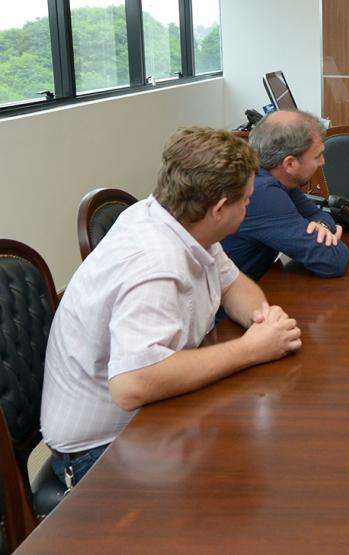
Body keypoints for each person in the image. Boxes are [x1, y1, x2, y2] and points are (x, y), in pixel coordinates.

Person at [41, 127, 303, 488]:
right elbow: (132, 385)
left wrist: (262, 318)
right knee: (262, 474)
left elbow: (232, 283)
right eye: (245, 200)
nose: (249, 205)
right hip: (99, 451)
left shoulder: (178, 218)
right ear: (219, 209)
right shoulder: (156, 263)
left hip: (149, 420)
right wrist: (251, 349)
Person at [221, 110, 349, 281]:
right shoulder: (262, 193)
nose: (322, 162)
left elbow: (316, 214)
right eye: (317, 156)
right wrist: (331, 235)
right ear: (289, 163)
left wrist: (322, 227)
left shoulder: (277, 177)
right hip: (229, 304)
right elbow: (332, 260)